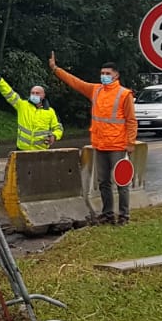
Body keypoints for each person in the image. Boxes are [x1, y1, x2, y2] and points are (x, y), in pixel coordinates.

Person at [48, 52, 137, 225]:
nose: (104, 76)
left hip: (118, 145)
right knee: (103, 182)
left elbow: (131, 120)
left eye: (108, 74)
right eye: (102, 74)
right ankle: (108, 214)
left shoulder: (124, 94)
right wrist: (56, 69)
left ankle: (124, 215)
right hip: (100, 144)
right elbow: (76, 83)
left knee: (121, 182)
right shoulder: (96, 90)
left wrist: (130, 142)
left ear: (116, 75)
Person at [0, 62, 64, 151]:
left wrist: (54, 136)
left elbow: (58, 128)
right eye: (32, 93)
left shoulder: (50, 111)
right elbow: (8, 93)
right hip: (21, 150)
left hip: (41, 152)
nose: (34, 95)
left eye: (37, 93)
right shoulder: (22, 105)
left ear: (43, 95)